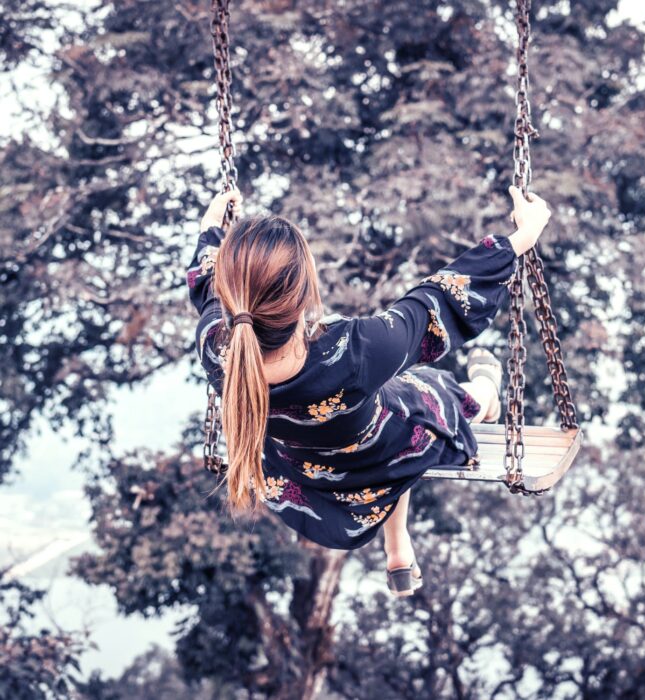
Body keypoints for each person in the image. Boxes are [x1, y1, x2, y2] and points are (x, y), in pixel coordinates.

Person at [187, 185, 551, 596]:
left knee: (393, 402)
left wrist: (213, 225)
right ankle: (485, 388)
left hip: (296, 472)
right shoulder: (357, 350)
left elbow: (204, 281)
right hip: (378, 452)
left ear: (228, 293)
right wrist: (522, 238)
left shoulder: (215, 345)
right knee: (433, 392)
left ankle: (398, 547)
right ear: (304, 292)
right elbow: (437, 301)